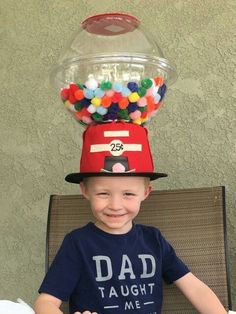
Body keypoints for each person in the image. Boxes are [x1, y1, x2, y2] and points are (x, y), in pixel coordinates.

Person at [34, 122, 227, 314]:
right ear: (85, 190)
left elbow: (194, 288)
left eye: (128, 194)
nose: (116, 205)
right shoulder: (77, 243)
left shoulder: (154, 240)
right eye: (103, 193)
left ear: (145, 192)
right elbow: (45, 302)